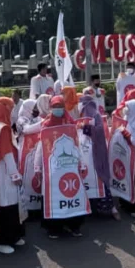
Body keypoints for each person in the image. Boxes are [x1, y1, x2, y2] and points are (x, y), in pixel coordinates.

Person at [38, 96, 84, 238]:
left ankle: (73, 226)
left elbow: (77, 144)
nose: (58, 110)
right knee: (55, 196)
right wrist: (37, 167)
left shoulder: (70, 122)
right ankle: (54, 228)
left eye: (60, 106)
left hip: (70, 165)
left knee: (72, 193)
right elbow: (41, 147)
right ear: (51, 108)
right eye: (55, 107)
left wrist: (81, 162)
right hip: (53, 167)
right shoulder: (46, 125)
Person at [0, 97, 26, 254]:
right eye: (11, 108)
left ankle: (13, 236)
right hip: (5, 171)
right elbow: (6, 153)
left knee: (8, 205)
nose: (13, 111)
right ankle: (0, 241)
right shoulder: (3, 128)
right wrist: (15, 174)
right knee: (6, 205)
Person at [79, 93, 119, 219]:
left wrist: (84, 127)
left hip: (95, 154)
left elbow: (97, 131)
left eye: (82, 103)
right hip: (86, 154)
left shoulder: (95, 115)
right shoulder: (84, 115)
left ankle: (109, 207)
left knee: (99, 179)